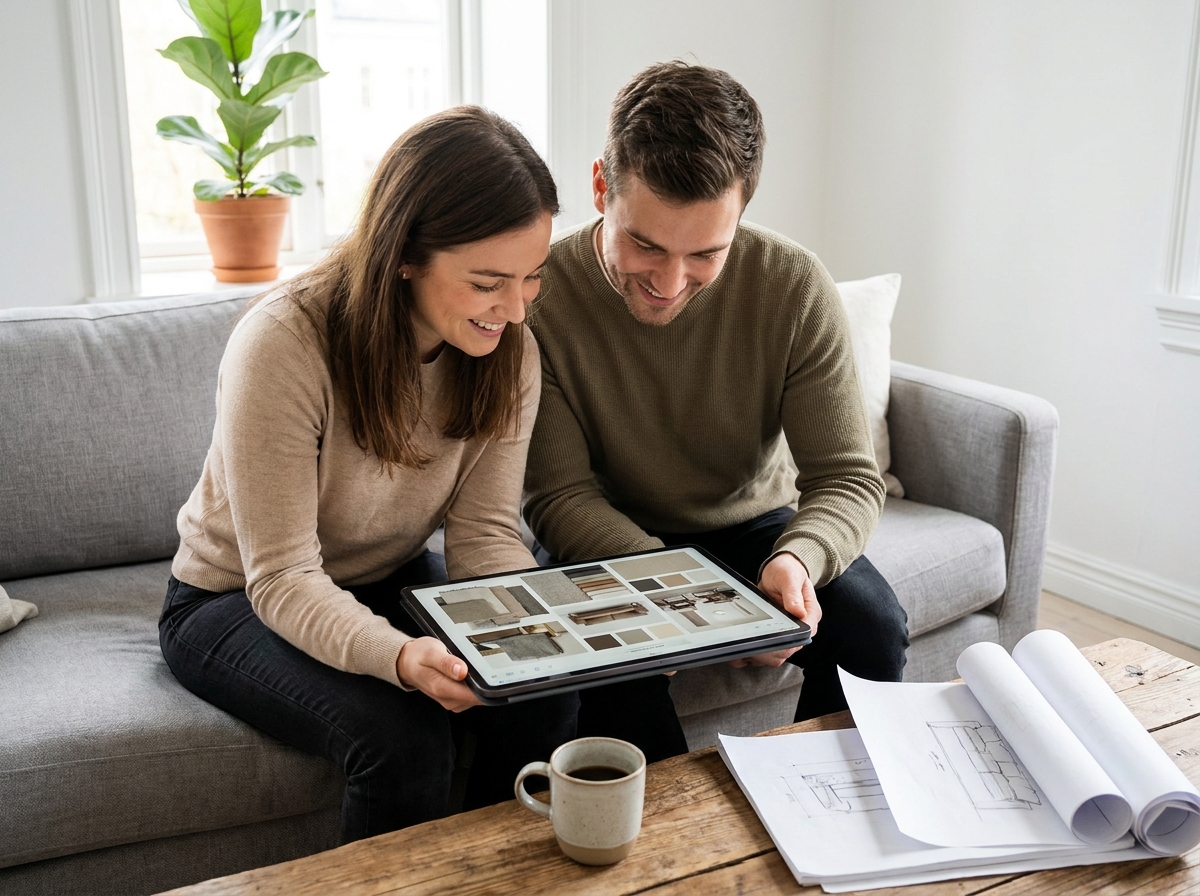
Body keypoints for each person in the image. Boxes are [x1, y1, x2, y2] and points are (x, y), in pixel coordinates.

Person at [159, 107, 574, 842]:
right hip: (232, 598)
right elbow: (283, 576)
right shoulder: (283, 342)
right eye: (488, 282)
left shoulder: (510, 351)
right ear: (406, 254)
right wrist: (400, 657)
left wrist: (547, 628)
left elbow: (483, 536)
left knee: (544, 690)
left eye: (531, 278)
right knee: (403, 738)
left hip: (385, 576)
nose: (514, 310)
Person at [523, 62, 910, 761]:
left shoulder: (793, 286)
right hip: (606, 535)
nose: (670, 283)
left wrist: (797, 559)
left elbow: (847, 478)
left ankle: (827, 802)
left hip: (751, 526)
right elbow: (559, 497)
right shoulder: (540, 298)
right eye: (645, 244)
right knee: (616, 682)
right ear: (601, 187)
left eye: (705, 253)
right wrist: (690, 598)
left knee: (873, 626)